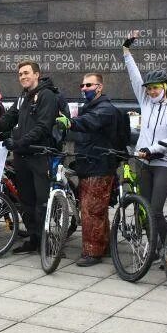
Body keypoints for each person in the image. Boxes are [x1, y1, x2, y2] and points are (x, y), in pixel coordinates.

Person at [0, 61, 60, 254]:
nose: (23, 77)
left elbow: (43, 127)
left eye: (26, 73)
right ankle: (34, 238)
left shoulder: (47, 96)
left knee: (42, 202)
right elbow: (9, 118)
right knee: (26, 202)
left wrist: (19, 142)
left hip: (39, 155)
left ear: (37, 75)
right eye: (20, 74)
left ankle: (47, 241)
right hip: (22, 156)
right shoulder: (22, 97)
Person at [123, 33, 167, 253]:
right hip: (143, 162)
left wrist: (152, 149)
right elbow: (134, 76)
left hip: (162, 164)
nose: (151, 91)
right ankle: (154, 249)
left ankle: (166, 245)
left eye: (155, 88)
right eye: (149, 88)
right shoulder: (146, 102)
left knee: (156, 210)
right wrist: (126, 49)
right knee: (145, 208)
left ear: (165, 87)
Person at [55, 73, 119, 266]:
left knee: (91, 211)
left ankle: (92, 252)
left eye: (88, 85)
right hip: (90, 163)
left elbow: (91, 122)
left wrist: (71, 122)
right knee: (97, 210)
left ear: (99, 87)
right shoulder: (90, 107)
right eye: (82, 85)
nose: (84, 89)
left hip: (99, 165)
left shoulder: (105, 109)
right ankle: (103, 245)